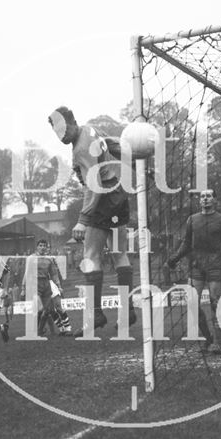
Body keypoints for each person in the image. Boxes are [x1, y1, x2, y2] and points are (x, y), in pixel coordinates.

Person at [48, 106, 136, 336]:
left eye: (63, 128)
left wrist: (83, 220)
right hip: (118, 193)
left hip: (103, 198)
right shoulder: (90, 129)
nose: (61, 134)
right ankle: (128, 312)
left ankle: (96, 315)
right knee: (120, 254)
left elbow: (94, 185)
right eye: (56, 131)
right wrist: (132, 158)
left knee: (91, 257)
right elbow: (111, 144)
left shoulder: (80, 149)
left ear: (72, 122)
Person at [165, 189, 221, 355]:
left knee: (215, 303)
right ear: (199, 201)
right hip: (196, 266)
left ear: (214, 200)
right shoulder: (192, 220)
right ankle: (208, 338)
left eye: (208, 196)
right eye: (202, 196)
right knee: (192, 303)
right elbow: (186, 244)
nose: (205, 199)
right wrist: (175, 258)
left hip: (215, 266)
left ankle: (217, 343)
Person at [21, 239, 72, 336]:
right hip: (35, 284)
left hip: (48, 283)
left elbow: (54, 274)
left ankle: (67, 329)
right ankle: (45, 329)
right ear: (37, 247)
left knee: (57, 307)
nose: (42, 247)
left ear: (46, 247)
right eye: (40, 245)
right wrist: (23, 288)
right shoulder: (31, 258)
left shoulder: (50, 258)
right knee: (45, 309)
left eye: (44, 245)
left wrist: (59, 286)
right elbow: (27, 273)